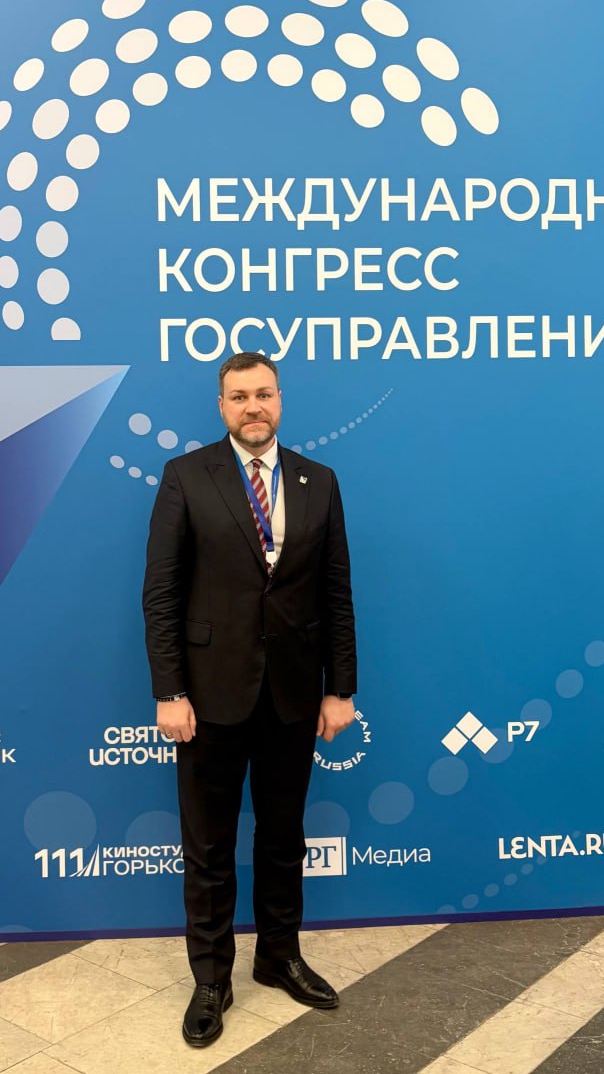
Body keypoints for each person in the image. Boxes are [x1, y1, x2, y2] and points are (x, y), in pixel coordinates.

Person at [142, 351, 358, 1047]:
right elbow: (161, 594)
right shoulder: (186, 476)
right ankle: (211, 979)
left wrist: (340, 688)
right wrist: (170, 691)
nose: (253, 407)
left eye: (263, 394)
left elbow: (335, 594)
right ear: (222, 406)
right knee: (208, 845)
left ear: (280, 400)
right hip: (208, 698)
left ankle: (278, 957)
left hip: (292, 694)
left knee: (283, 837)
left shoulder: (319, 481)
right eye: (239, 397)